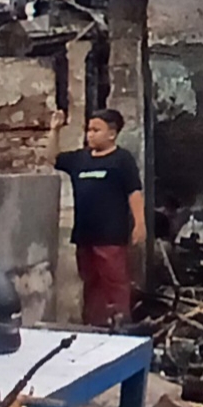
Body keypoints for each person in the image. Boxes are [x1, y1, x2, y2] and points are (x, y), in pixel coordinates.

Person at [56, 108, 145, 327]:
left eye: (96, 130)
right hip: (85, 234)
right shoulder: (80, 159)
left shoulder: (122, 160)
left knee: (115, 283)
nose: (90, 134)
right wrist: (54, 131)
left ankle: (120, 324)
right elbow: (53, 158)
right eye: (89, 130)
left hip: (111, 235)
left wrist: (140, 223)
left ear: (112, 134)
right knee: (90, 283)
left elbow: (134, 192)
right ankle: (94, 325)